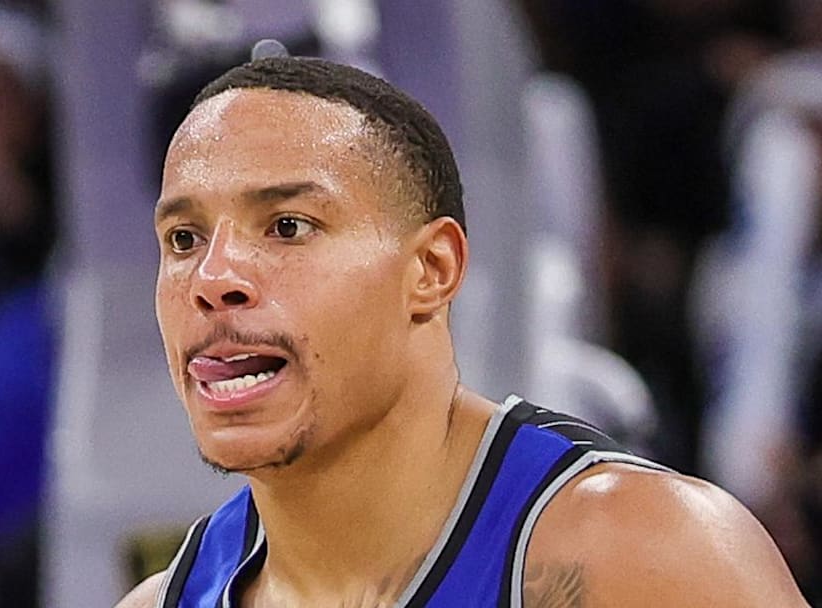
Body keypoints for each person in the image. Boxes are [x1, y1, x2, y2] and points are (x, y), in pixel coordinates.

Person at [118, 50, 809, 607]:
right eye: (183, 239)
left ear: (431, 269)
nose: (213, 278)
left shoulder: (636, 553)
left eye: (288, 226)